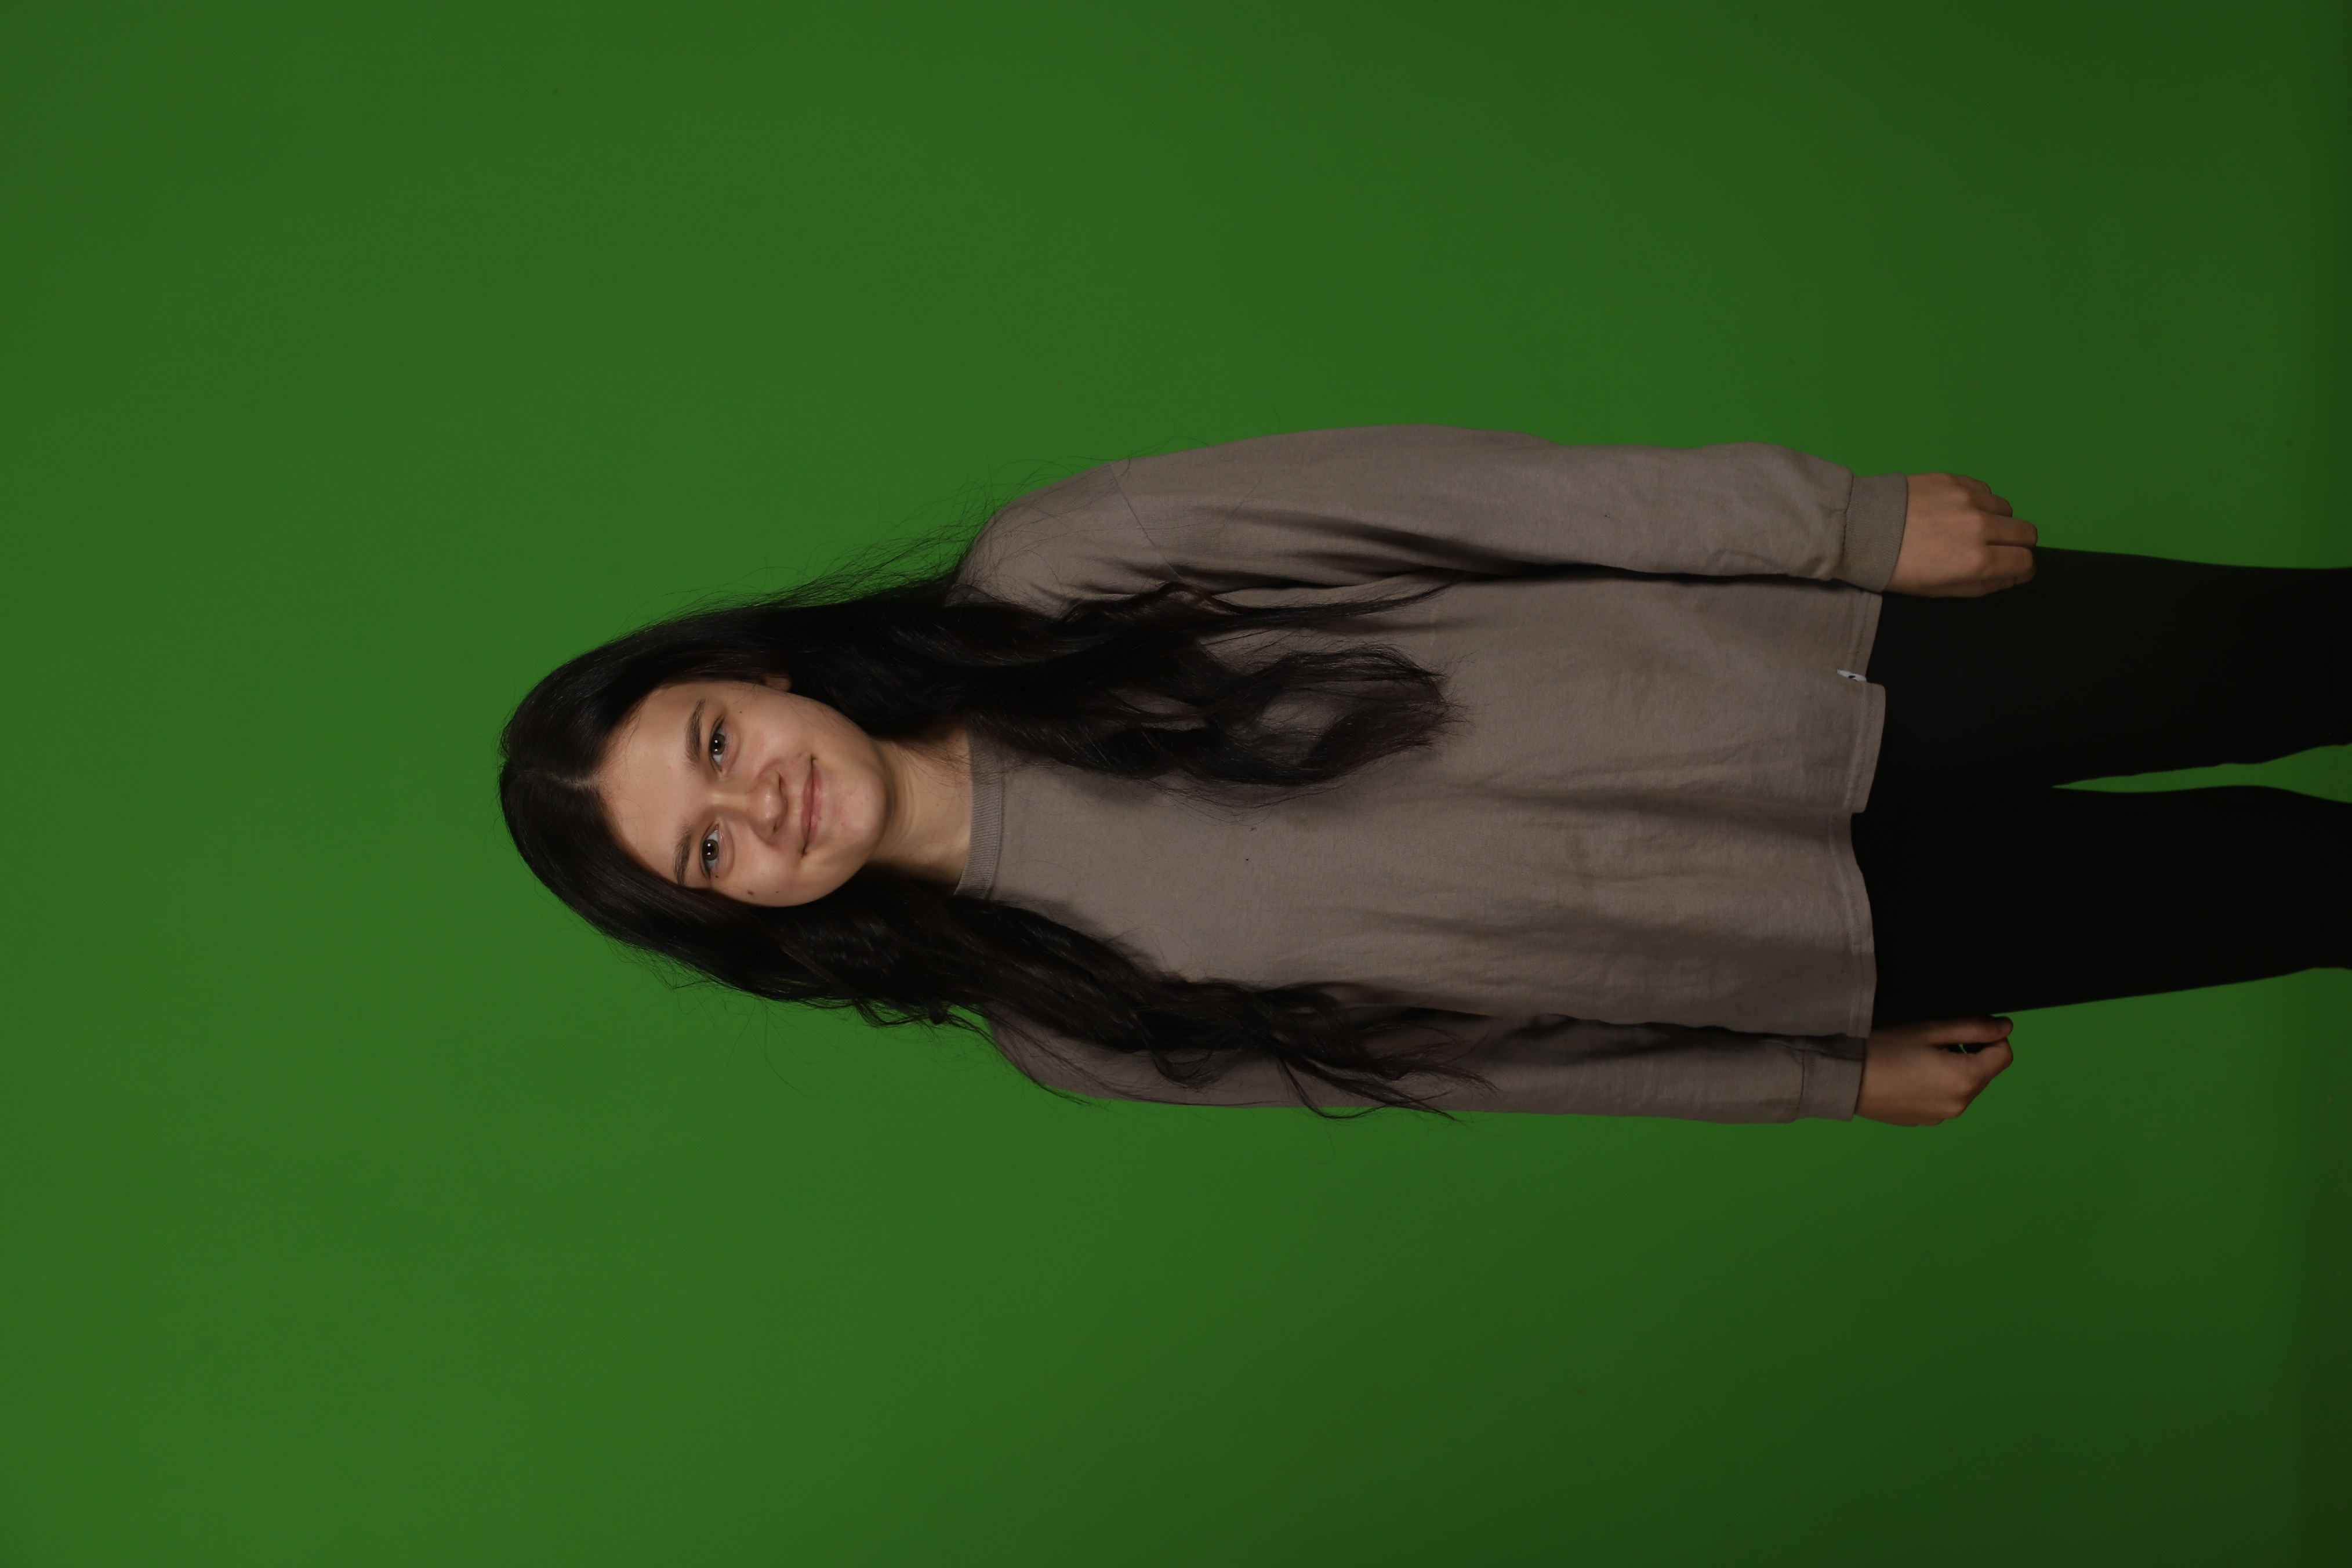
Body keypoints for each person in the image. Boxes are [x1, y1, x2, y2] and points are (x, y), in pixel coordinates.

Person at [499, 426, 2350, 1126]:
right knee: (2303, 894)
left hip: (1839, 668)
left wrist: (1838, 526)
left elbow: (1483, 500)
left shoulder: (1066, 566)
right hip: (1810, 939)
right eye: (708, 853)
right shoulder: (1068, 1023)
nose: (759, 809)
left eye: (714, 747)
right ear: (737, 918)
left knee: (2304, 656)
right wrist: (1809, 1076)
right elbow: (1471, 1064)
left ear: (754, 672)